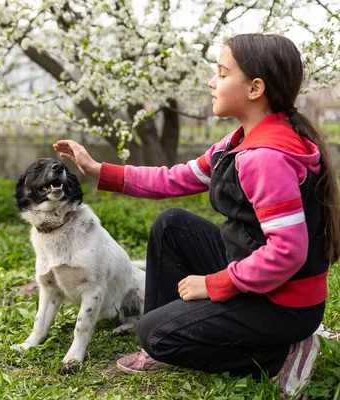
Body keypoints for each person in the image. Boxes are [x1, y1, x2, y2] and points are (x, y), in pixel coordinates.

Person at [52, 33, 340, 395]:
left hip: (283, 302)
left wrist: (214, 284)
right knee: (171, 224)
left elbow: (288, 252)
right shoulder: (238, 142)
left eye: (221, 73)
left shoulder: (266, 158)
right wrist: (99, 170)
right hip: (257, 272)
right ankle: (171, 335)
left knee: (154, 333)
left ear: (255, 88)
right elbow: (176, 178)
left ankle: (281, 353)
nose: (211, 82)